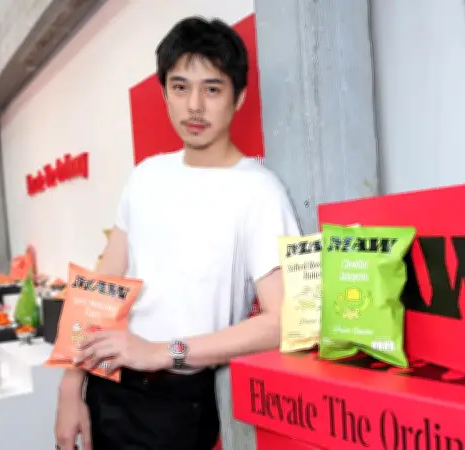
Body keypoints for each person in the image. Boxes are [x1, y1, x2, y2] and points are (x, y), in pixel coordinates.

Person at [54, 16, 300, 450]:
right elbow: (102, 286)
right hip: (106, 384)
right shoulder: (146, 175)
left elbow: (284, 321)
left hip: (176, 403)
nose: (194, 106)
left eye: (212, 89)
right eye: (180, 87)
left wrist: (162, 351)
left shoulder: (259, 191)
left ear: (239, 97)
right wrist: (70, 386)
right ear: (165, 92)